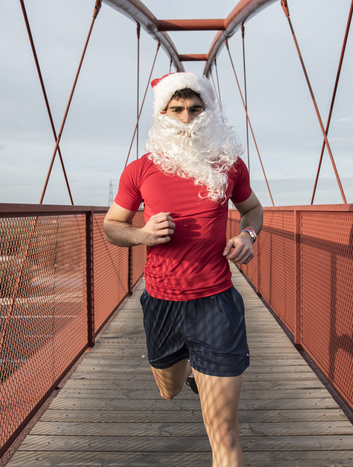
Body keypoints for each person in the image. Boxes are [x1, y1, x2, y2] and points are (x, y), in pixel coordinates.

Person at [103, 71, 263, 467]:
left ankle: (207, 369)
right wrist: (141, 235)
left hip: (216, 304)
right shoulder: (139, 170)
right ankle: (190, 374)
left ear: (208, 113)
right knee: (169, 390)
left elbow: (253, 210)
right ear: (162, 114)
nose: (187, 118)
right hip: (162, 302)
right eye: (177, 110)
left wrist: (247, 237)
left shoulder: (230, 165)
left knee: (224, 431)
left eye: (196, 109)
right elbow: (111, 227)